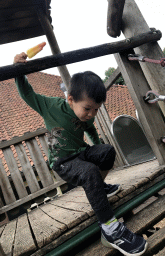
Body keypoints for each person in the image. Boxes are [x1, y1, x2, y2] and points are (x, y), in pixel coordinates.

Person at [14, 52, 148, 256]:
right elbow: (27, 94)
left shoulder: (89, 115)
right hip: (63, 162)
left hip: (81, 153)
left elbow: (91, 131)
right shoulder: (50, 106)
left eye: (96, 109)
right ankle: (110, 228)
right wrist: (18, 71)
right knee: (89, 171)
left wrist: (98, 149)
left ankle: (98, 186)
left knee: (107, 151)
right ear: (70, 99)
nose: (92, 114)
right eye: (87, 109)